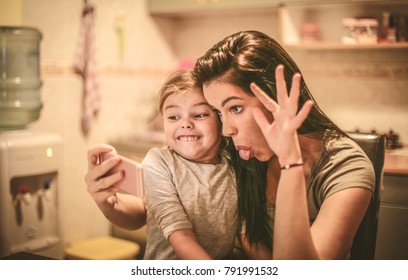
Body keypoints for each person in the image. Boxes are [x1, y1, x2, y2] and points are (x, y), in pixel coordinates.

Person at [192, 30, 375, 260]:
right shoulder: (238, 153)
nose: (227, 130)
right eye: (219, 112)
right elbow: (247, 234)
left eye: (236, 108)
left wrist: (290, 162)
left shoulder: (346, 168)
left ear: (278, 97)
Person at [85, 69, 238, 260]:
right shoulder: (159, 162)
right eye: (174, 117)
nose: (185, 123)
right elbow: (180, 236)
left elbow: (246, 233)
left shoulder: (233, 165)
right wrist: (110, 204)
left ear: (221, 120)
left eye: (199, 115)